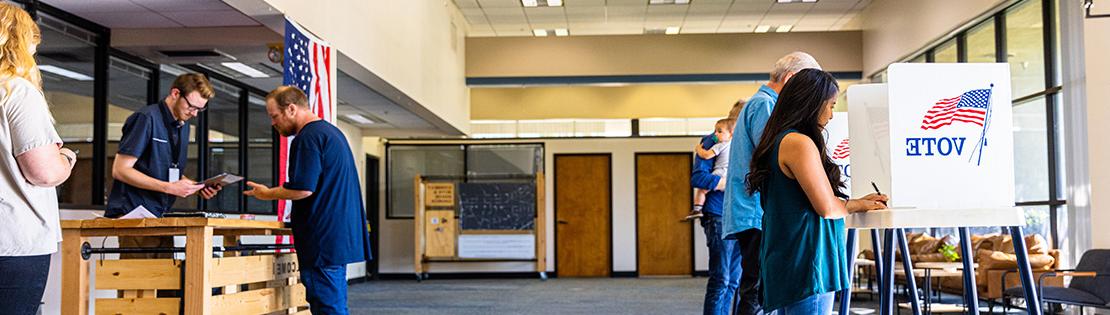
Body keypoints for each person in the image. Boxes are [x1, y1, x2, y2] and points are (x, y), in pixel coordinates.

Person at [745, 68, 887, 314]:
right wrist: (858, 204)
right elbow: (827, 207)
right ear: (811, 103)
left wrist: (851, 202)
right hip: (808, 261)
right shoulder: (798, 143)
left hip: (790, 256)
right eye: (830, 105)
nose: (832, 114)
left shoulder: (780, 139)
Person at [244, 86, 370, 315]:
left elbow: (303, 189)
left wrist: (266, 193)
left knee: (327, 306)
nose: (273, 123)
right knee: (334, 303)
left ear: (291, 109)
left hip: (322, 241)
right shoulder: (331, 133)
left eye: (275, 116)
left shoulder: (308, 138)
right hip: (335, 238)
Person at [719, 51, 823, 314]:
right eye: (804, 84)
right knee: (758, 291)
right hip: (757, 213)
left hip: (754, 212)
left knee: (757, 288)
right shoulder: (766, 106)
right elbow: (777, 157)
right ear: (790, 79)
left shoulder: (759, 104)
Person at [0, 3, 77, 314]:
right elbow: (43, 172)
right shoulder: (16, 91)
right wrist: (67, 158)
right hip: (13, 242)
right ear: (21, 43)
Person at [105, 73, 221, 258]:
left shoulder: (182, 125)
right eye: (191, 106)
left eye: (200, 109)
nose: (194, 113)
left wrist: (195, 187)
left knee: (166, 283)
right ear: (175, 93)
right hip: (135, 216)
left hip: (161, 216)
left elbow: (168, 172)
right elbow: (120, 170)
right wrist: (169, 187)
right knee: (138, 282)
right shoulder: (146, 118)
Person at [690, 101, 742, 315]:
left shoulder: (750, 143)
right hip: (718, 213)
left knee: (734, 280)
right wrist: (726, 183)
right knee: (721, 278)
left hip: (743, 217)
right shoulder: (714, 140)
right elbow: (698, 178)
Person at [687, 118, 735, 220]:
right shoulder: (736, 145)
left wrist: (698, 148)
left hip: (720, 172)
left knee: (702, 191)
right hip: (729, 173)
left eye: (719, 131)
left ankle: (697, 208)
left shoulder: (720, 145)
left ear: (731, 134)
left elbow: (706, 155)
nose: (715, 134)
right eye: (715, 131)